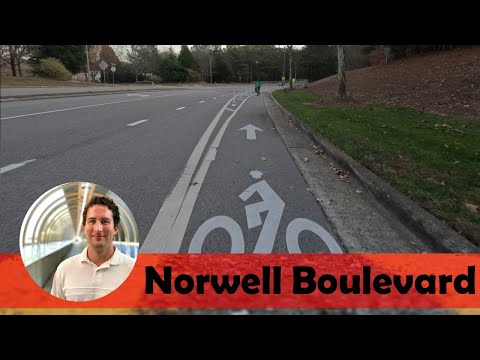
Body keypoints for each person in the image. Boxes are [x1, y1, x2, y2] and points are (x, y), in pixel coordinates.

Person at [50, 195, 135, 301]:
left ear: (115, 229)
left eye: (105, 221)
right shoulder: (64, 270)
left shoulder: (134, 270)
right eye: (92, 221)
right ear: (84, 228)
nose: (98, 228)